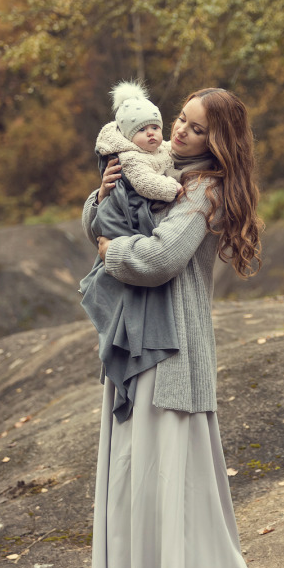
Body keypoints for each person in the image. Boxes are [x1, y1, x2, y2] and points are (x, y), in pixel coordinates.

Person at [83, 87, 262, 568]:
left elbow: (160, 258)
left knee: (161, 464)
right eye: (181, 119)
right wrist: (103, 194)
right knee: (134, 462)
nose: (181, 131)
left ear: (220, 141)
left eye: (198, 128)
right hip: (137, 336)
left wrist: (111, 249)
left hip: (172, 348)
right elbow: (102, 223)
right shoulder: (158, 171)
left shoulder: (206, 190)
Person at [79, 82, 182, 423]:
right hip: (123, 248)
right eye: (144, 130)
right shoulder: (129, 162)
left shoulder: (167, 156)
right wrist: (101, 195)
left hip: (145, 266)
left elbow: (163, 253)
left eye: (157, 127)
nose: (154, 135)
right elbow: (97, 228)